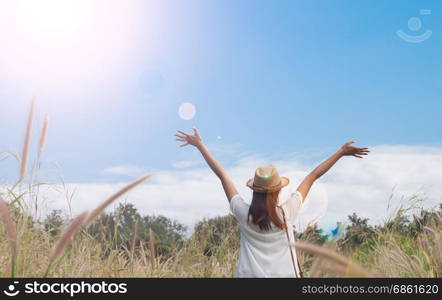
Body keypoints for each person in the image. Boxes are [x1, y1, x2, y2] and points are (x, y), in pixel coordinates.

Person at [174, 127, 370, 277]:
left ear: (254, 190)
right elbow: (313, 175)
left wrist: (200, 146)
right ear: (278, 190)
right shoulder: (287, 212)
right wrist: (341, 152)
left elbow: (222, 175)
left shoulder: (243, 214)